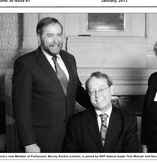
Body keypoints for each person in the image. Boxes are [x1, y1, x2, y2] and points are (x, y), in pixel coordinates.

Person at [12, 17, 92, 153]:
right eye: (50, 35)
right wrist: (29, 143)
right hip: (41, 139)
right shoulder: (25, 64)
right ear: (39, 36)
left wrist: (99, 106)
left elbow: (76, 90)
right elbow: (21, 108)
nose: (56, 40)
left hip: (71, 137)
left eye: (59, 35)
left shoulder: (69, 58)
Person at [63, 71, 139, 153]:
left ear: (111, 90)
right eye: (92, 91)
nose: (97, 95)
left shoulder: (128, 120)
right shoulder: (76, 122)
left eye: (101, 89)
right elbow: (71, 158)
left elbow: (131, 157)